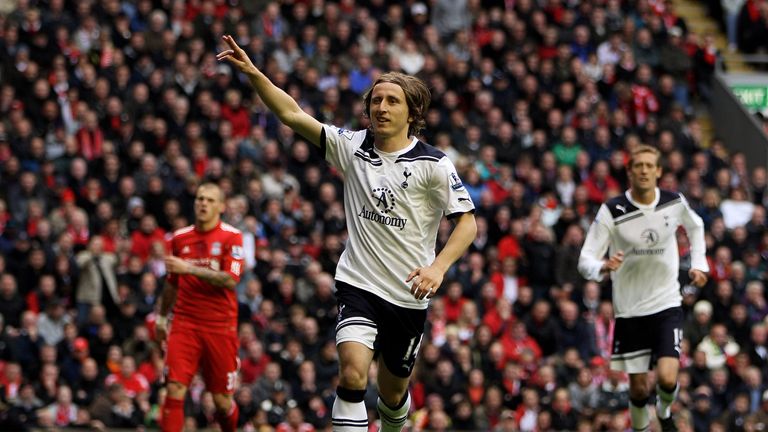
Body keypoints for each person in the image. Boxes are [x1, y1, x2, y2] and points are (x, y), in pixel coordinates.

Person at [218, 34, 477, 432]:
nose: (382, 107)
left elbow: (467, 222)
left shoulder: (434, 164)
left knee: (392, 395)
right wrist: (255, 74)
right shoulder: (352, 147)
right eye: (376, 100)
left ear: (412, 112)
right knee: (353, 376)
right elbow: (292, 114)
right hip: (358, 284)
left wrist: (438, 268)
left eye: (392, 101)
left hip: (409, 295)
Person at [578, 144, 708, 432]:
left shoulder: (674, 202)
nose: (645, 170)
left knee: (666, 378)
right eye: (639, 166)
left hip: (666, 303)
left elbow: (696, 226)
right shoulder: (612, 210)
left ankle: (663, 409)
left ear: (659, 171)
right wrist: (602, 266)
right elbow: (584, 259)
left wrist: (700, 264)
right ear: (629, 172)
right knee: (637, 391)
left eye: (650, 165)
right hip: (629, 311)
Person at [155, 182, 245, 432]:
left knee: (221, 401)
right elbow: (171, 283)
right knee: (173, 389)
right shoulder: (180, 238)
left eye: (209, 200)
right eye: (199, 199)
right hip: (185, 324)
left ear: (221, 207)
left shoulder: (232, 237)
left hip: (220, 327)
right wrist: (162, 319)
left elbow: (231, 279)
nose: (203, 203)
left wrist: (190, 269)